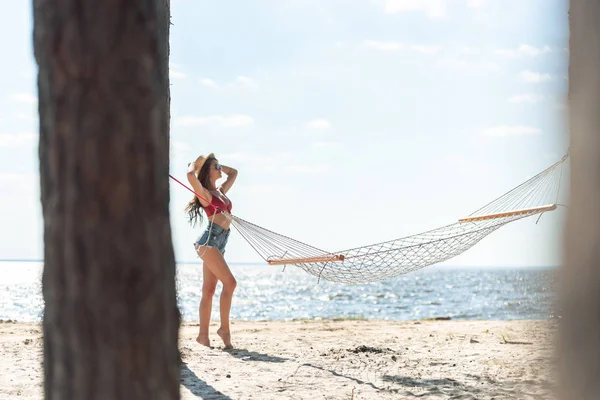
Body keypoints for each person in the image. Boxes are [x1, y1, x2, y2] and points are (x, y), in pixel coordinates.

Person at [185, 153, 238, 349]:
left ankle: (202, 337)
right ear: (208, 171)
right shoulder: (206, 195)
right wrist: (196, 164)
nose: (220, 169)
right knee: (230, 283)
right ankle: (224, 330)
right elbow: (191, 176)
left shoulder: (221, 192)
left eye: (220, 166)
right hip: (209, 243)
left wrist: (218, 166)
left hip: (221, 243)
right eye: (216, 167)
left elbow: (234, 173)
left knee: (208, 290)